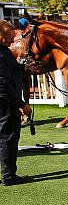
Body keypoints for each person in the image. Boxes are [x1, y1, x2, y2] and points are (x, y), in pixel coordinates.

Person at [0, 19, 33, 186]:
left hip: (6, 101)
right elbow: (3, 85)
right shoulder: (1, 54)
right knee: (8, 137)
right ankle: (9, 175)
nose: (12, 41)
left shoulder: (4, 51)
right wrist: (21, 104)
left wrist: (22, 67)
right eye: (9, 38)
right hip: (5, 103)